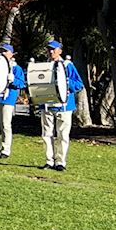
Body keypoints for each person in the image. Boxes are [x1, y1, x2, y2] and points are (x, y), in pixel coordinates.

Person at [39, 40, 85, 171]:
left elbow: (79, 84)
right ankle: (49, 160)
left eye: (53, 49)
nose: (51, 51)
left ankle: (60, 162)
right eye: (49, 49)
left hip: (64, 106)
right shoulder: (43, 66)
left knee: (63, 135)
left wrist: (65, 82)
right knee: (46, 134)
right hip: (47, 105)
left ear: (60, 51)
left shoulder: (67, 65)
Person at [0, 43, 26, 158]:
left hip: (7, 100)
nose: (3, 53)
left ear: (12, 54)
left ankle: (5, 150)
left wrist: (13, 81)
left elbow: (22, 84)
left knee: (5, 125)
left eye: (6, 51)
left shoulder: (16, 68)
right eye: (1, 50)